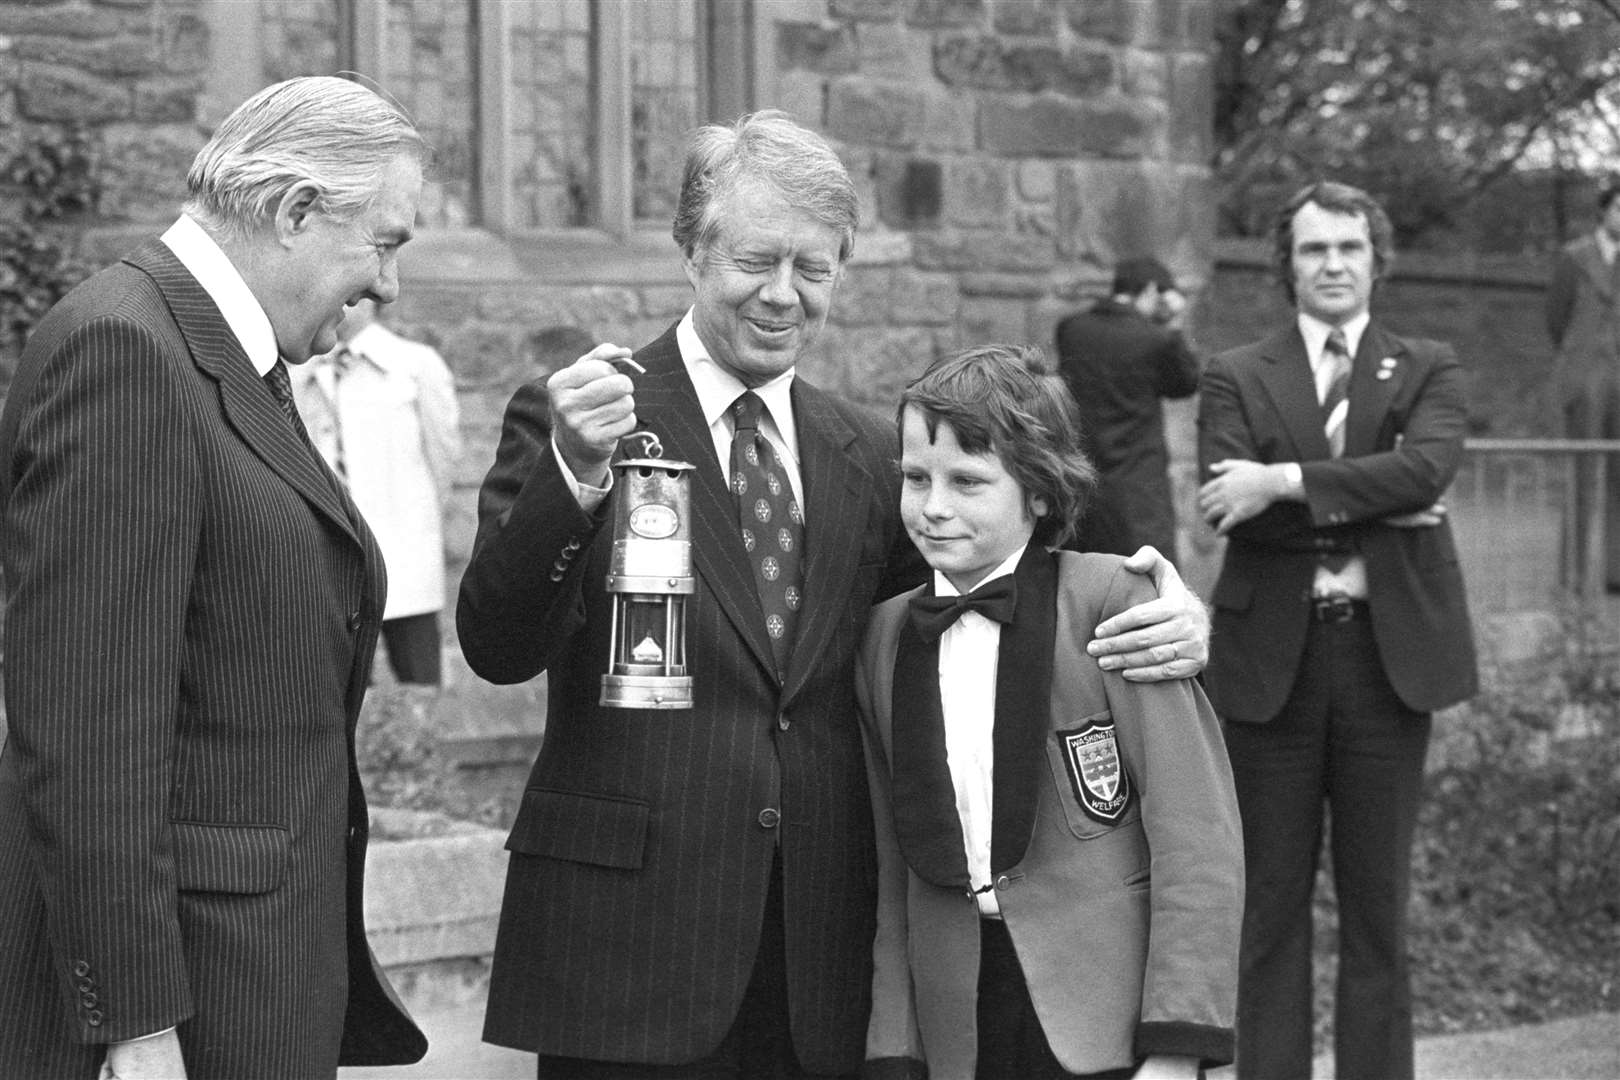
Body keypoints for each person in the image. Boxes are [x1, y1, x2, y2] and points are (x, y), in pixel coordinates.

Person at [457, 110, 1212, 1078]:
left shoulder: (871, 452)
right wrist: (573, 473)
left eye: (814, 270)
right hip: (629, 945)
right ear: (691, 251)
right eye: (757, 261)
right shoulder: (585, 414)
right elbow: (497, 642)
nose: (784, 296)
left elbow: (984, 606)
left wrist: (1156, 610)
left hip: (825, 947)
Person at [0, 77, 429, 1078]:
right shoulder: (126, 349)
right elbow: (89, 729)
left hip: (257, 982)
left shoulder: (224, 357)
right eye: (387, 243)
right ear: (292, 211)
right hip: (187, 1009)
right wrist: (137, 1022)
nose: (390, 287)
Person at [857, 344, 1242, 1080]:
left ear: (1037, 489)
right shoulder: (881, 638)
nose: (933, 506)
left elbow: (1197, 835)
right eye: (914, 478)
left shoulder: (1115, 604)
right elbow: (890, 873)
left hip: (1106, 1016)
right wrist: (893, 1046)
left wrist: (1179, 1042)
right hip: (955, 1021)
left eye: (968, 482)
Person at [1195, 180, 1478, 1080]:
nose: (1334, 266)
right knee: (1267, 912)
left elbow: (1427, 470)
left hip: (1387, 663)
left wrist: (1280, 481)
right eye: (1315, 249)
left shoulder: (1427, 365)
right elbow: (1222, 506)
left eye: (1350, 248)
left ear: (1376, 260)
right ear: (1288, 263)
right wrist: (1379, 496)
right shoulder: (1235, 372)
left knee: (1377, 914)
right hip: (1270, 660)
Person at [293, 298, 462, 686]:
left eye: (352, 296)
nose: (340, 304)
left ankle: (418, 747)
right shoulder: (304, 369)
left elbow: (443, 453)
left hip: (403, 550)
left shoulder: (415, 363)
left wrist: (415, 522)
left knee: (418, 680)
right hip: (331, 557)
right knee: (338, 686)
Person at [1055, 257, 1200, 561]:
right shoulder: (1155, 339)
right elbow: (1186, 383)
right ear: (1150, 289)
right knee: (1147, 585)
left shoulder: (1071, 330)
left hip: (1081, 483)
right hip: (1138, 491)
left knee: (1079, 584)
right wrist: (1173, 324)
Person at [1545, 178, 1620, 592]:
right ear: (1604, 212)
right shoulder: (1574, 258)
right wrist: (1580, 361)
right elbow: (1556, 319)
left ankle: (1616, 572)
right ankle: (1572, 575)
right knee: (1582, 476)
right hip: (1585, 379)